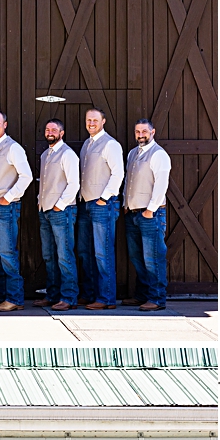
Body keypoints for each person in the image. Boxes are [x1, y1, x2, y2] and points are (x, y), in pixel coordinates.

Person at [0, 110, 32, 311]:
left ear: (5, 124)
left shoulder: (13, 148)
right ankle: (1, 295)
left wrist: (7, 198)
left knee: (7, 253)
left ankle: (15, 298)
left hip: (6, 209)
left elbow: (26, 176)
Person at [76, 108, 123, 310]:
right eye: (88, 120)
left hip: (103, 205)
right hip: (86, 203)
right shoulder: (87, 144)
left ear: (103, 121)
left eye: (95, 120)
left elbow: (118, 173)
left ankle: (106, 299)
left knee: (102, 253)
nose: (91, 123)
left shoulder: (110, 144)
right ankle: (88, 294)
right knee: (85, 252)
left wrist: (104, 198)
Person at [124, 118, 172, 311]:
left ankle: (157, 298)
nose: (140, 135)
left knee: (153, 258)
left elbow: (161, 185)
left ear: (153, 132)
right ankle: (142, 295)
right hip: (132, 213)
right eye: (137, 131)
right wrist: (126, 205)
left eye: (144, 131)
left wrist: (150, 210)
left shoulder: (159, 155)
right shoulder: (132, 154)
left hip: (151, 214)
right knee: (137, 257)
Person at [37, 118, 80, 310]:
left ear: (61, 133)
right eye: (47, 129)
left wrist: (60, 205)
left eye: (54, 129)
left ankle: (69, 297)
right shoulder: (45, 155)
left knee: (64, 255)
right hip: (45, 211)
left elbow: (74, 184)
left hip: (62, 212)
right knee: (49, 256)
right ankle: (53, 295)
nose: (50, 132)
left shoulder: (68, 154)